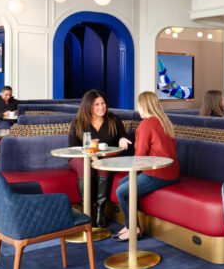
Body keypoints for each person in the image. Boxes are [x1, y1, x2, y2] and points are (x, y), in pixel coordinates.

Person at [113, 91, 179, 242]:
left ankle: (133, 228)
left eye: (139, 105)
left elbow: (140, 156)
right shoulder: (164, 121)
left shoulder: (146, 124)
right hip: (172, 172)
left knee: (121, 192)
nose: (138, 109)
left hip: (157, 174)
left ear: (144, 106)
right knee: (122, 183)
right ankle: (130, 225)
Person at [68, 90, 132, 228]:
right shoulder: (78, 122)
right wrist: (92, 157)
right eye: (96, 104)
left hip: (106, 157)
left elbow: (123, 136)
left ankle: (100, 212)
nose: (101, 107)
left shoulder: (113, 119)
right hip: (81, 157)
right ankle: (87, 212)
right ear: (88, 106)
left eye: (103, 103)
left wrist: (122, 139)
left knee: (103, 167)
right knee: (86, 167)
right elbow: (73, 147)